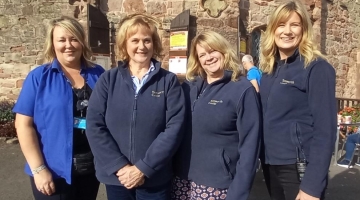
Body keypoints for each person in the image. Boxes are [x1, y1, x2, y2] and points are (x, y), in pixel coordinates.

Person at [85, 14, 185, 200]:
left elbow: (174, 128)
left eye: (147, 40)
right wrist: (120, 167)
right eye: (135, 40)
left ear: (154, 44)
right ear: (124, 44)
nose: (142, 46)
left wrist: (143, 168)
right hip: (118, 178)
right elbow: (95, 125)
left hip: (155, 177)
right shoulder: (108, 79)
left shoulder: (168, 81)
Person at [13, 16, 105, 200]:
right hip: (52, 172)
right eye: (62, 40)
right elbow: (23, 125)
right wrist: (39, 169)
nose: (68, 45)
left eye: (74, 39)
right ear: (53, 44)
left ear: (82, 42)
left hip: (90, 169)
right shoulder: (38, 77)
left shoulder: (99, 75)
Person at [259, 1, 336, 200]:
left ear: (304, 30)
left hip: (299, 167)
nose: (287, 31)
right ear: (273, 30)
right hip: (270, 163)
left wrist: (312, 186)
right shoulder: (269, 71)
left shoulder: (316, 68)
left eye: (295, 25)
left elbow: (325, 131)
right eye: (281, 25)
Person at [172, 30, 261, 200]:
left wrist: (239, 193)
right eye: (202, 54)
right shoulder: (189, 87)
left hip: (217, 185)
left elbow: (250, 147)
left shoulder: (242, 90)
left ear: (224, 51)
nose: (209, 58)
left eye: (213, 51)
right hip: (180, 180)